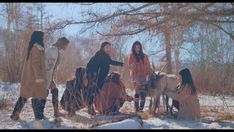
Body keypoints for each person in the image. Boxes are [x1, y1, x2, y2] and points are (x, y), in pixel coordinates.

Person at [10, 31, 48, 121]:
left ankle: (16, 115)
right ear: (39, 38)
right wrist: (39, 77)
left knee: (26, 96)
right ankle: (38, 117)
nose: (43, 39)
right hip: (34, 78)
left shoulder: (35, 48)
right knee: (35, 96)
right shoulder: (36, 48)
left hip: (31, 78)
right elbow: (35, 64)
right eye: (42, 37)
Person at [86, 42, 124, 115]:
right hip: (94, 76)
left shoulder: (106, 56)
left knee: (96, 91)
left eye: (109, 47)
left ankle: (93, 107)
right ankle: (90, 107)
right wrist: (121, 64)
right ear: (102, 48)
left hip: (100, 77)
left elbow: (108, 62)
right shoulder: (100, 54)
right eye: (107, 47)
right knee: (93, 91)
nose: (108, 49)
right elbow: (110, 62)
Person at [45, 37, 69, 117]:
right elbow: (48, 65)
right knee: (42, 94)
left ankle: (56, 112)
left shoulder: (57, 52)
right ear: (62, 44)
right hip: (45, 75)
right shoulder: (52, 50)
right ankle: (39, 115)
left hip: (49, 76)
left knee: (55, 90)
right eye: (66, 45)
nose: (66, 47)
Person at [128, 41, 152, 112]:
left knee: (143, 92)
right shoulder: (131, 56)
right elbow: (130, 66)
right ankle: (136, 109)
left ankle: (141, 109)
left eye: (138, 47)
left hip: (144, 76)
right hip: (136, 76)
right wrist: (133, 68)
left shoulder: (145, 56)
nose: (137, 49)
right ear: (133, 48)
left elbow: (148, 66)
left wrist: (149, 73)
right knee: (137, 92)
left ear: (140, 47)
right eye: (135, 47)